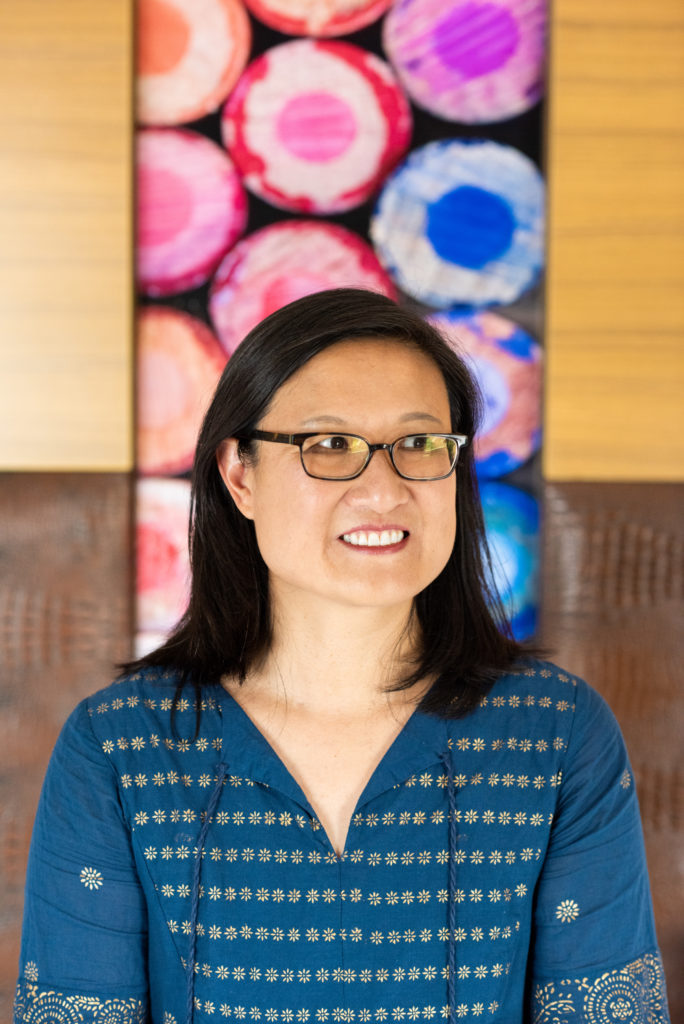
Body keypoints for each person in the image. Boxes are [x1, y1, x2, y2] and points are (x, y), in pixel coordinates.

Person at [14, 289, 669, 1024]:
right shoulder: (119, 746)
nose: (383, 489)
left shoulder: (558, 733)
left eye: (420, 445)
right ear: (239, 474)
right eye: (329, 446)